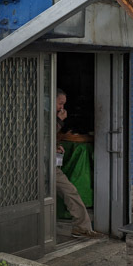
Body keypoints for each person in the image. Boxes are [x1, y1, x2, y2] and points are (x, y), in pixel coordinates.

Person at [55, 89, 102, 239]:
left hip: (48, 163)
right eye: (60, 103)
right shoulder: (42, 113)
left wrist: (55, 146)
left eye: (63, 104)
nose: (62, 107)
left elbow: (48, 138)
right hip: (35, 164)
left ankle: (82, 227)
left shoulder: (53, 115)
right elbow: (43, 134)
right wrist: (59, 121)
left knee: (70, 191)